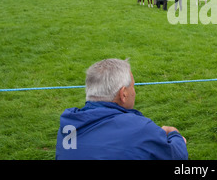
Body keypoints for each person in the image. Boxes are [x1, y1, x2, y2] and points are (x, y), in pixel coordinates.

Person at [55, 59, 188, 160]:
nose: (134, 92)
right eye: (133, 86)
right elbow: (177, 156)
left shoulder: (68, 123)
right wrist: (174, 135)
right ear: (123, 93)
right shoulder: (139, 128)